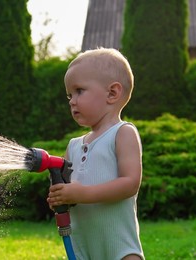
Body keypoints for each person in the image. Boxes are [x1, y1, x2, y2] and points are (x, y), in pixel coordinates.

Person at [47, 47, 144, 260]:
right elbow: (69, 191)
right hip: (83, 248)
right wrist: (60, 197)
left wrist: (83, 194)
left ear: (112, 93)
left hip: (119, 249)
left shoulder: (123, 133)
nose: (72, 100)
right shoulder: (73, 145)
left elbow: (130, 183)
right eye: (69, 95)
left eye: (79, 91)